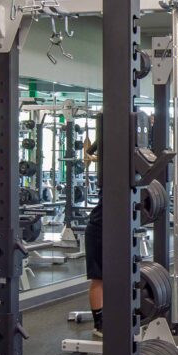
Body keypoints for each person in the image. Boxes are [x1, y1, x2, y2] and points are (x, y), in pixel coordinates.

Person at [82, 136, 104, 338]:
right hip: (97, 231)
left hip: (112, 231)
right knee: (99, 279)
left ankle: (113, 315)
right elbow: (88, 152)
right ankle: (99, 324)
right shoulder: (111, 188)